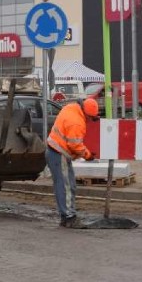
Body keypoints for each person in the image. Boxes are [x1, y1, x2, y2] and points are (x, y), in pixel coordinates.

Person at [46, 98, 99, 228]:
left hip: (56, 151)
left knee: (68, 185)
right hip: (59, 153)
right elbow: (75, 145)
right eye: (91, 118)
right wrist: (87, 155)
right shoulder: (76, 122)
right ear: (86, 114)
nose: (90, 121)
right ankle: (69, 217)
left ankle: (66, 216)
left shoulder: (71, 108)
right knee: (66, 187)